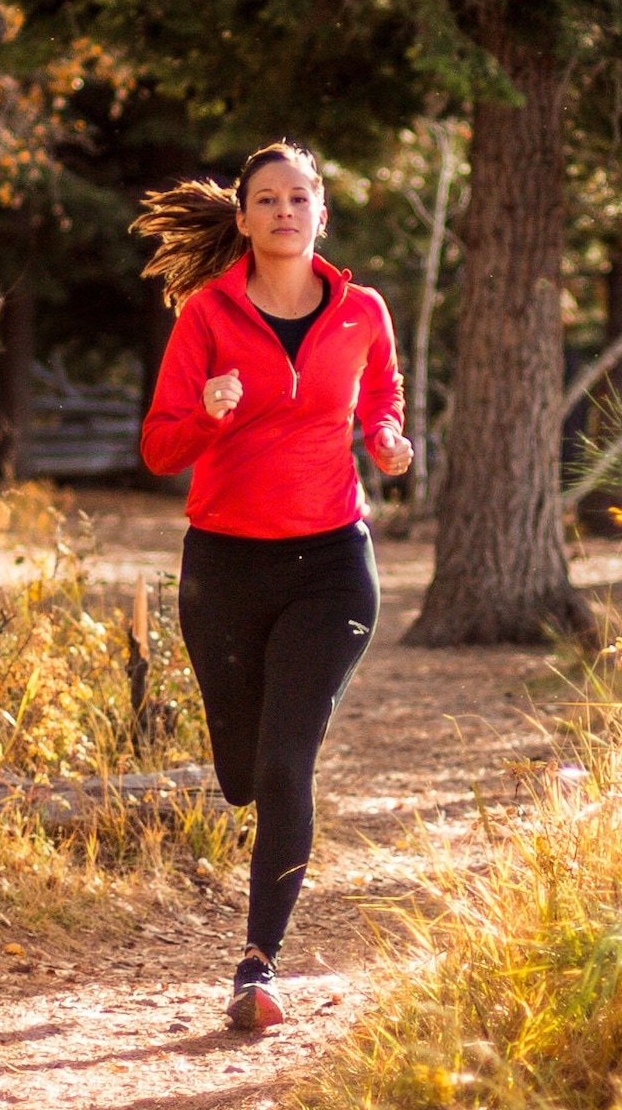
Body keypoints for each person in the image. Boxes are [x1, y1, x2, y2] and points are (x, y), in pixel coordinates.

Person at [135, 144, 414, 1032]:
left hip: (333, 561)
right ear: (245, 218)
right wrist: (206, 413)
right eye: (268, 199)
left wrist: (386, 437)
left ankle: (257, 966)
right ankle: (247, 781)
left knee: (288, 764)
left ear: (321, 212)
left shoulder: (363, 311)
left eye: (300, 197)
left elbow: (383, 397)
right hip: (224, 567)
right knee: (243, 772)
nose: (285, 210)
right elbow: (157, 448)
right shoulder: (207, 316)